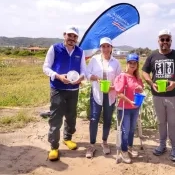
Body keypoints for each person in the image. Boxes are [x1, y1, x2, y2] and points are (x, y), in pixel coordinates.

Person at [142, 29, 175, 162]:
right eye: (162, 39)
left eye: (167, 39)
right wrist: (151, 83)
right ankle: (162, 145)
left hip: (173, 95)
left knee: (172, 122)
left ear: (171, 41)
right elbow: (145, 72)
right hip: (157, 95)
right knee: (161, 122)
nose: (164, 42)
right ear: (158, 41)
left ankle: (174, 147)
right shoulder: (152, 56)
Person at [42, 26, 87, 161]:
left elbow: (83, 70)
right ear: (64, 35)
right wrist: (58, 76)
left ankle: (67, 138)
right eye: (70, 35)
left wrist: (81, 77)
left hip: (74, 90)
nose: (72, 39)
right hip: (57, 88)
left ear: (77, 39)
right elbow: (45, 67)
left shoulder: (80, 51)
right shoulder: (55, 48)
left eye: (75, 37)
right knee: (56, 117)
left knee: (71, 116)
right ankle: (54, 146)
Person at [85, 37, 122, 158]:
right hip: (96, 93)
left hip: (110, 95)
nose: (105, 49)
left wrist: (113, 87)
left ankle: (105, 142)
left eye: (108, 46)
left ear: (111, 48)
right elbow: (87, 74)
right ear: (100, 48)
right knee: (94, 119)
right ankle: (91, 145)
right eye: (103, 46)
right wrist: (95, 78)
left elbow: (119, 79)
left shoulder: (116, 62)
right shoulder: (94, 60)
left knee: (107, 118)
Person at [114, 53, 144, 164]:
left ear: (137, 65)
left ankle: (130, 147)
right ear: (127, 64)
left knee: (132, 129)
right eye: (130, 63)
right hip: (124, 108)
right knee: (125, 131)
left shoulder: (137, 78)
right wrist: (129, 101)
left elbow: (140, 90)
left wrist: (140, 88)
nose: (132, 65)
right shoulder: (122, 76)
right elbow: (119, 93)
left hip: (135, 107)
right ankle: (124, 150)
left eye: (134, 63)